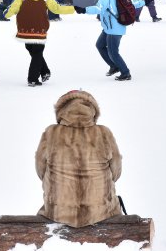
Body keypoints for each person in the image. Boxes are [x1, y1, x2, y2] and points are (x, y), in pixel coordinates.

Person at [35, 90, 122, 228]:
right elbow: (116, 171)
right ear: (93, 111)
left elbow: (41, 169)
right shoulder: (104, 133)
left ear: (61, 111)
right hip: (100, 212)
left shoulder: (51, 133)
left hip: (58, 212)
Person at [4, 0, 75, 86]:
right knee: (37, 53)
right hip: (39, 29)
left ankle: (45, 72)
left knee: (32, 50)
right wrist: (72, 9)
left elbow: (14, 8)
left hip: (24, 29)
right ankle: (32, 79)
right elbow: (56, 9)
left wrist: (6, 14)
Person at [78, 0, 145, 81]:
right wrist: (145, 1)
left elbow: (98, 9)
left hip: (113, 29)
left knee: (113, 52)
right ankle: (114, 66)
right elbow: (133, 4)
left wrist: (84, 10)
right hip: (110, 28)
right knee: (100, 45)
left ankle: (125, 72)